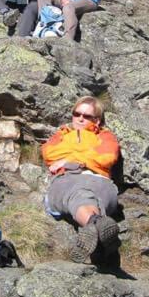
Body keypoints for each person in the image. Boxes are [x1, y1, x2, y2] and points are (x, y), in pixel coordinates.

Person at [42, 97, 121, 263]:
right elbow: (49, 154)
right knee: (80, 194)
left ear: (97, 120)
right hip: (67, 179)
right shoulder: (61, 134)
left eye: (86, 116)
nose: (80, 118)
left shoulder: (105, 136)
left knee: (81, 195)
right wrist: (84, 158)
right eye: (76, 113)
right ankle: (100, 231)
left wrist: (70, 160)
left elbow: (106, 157)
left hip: (98, 180)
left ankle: (92, 226)